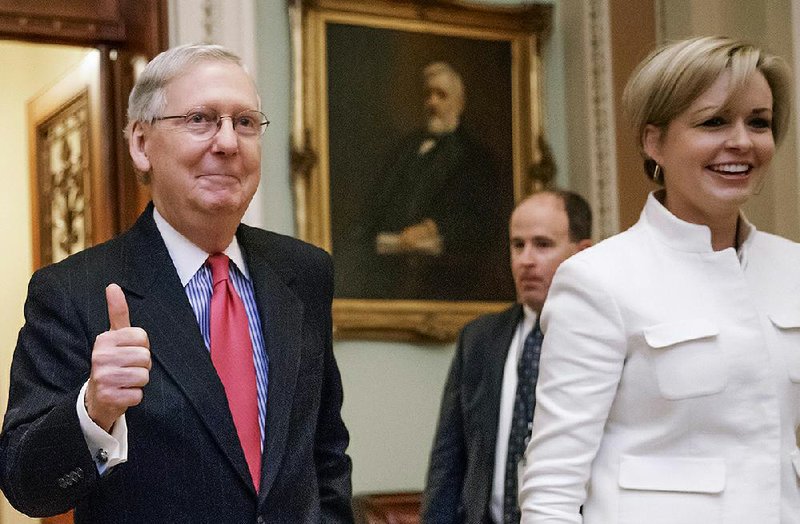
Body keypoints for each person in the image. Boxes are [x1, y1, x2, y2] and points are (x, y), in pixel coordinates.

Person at [0, 44, 352, 522]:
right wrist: (94, 409)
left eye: (245, 122)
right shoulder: (72, 292)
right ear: (142, 145)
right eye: (200, 119)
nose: (228, 142)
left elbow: (325, 454)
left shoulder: (305, 273)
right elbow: (27, 486)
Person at [519, 36, 800, 524]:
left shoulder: (792, 268)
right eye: (714, 122)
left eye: (759, 122)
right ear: (655, 142)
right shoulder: (599, 279)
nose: (742, 141)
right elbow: (552, 486)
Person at [422, 190, 592, 523]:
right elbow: (448, 462)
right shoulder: (480, 340)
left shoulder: (605, 339)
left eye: (542, 245)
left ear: (583, 252)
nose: (526, 260)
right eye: (518, 245)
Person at [337, 61, 510, 301]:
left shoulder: (477, 158)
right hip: (388, 266)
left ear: (459, 104)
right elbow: (378, 204)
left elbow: (480, 220)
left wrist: (433, 228)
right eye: (428, 95)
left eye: (441, 95)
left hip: (446, 274)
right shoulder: (406, 148)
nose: (432, 103)